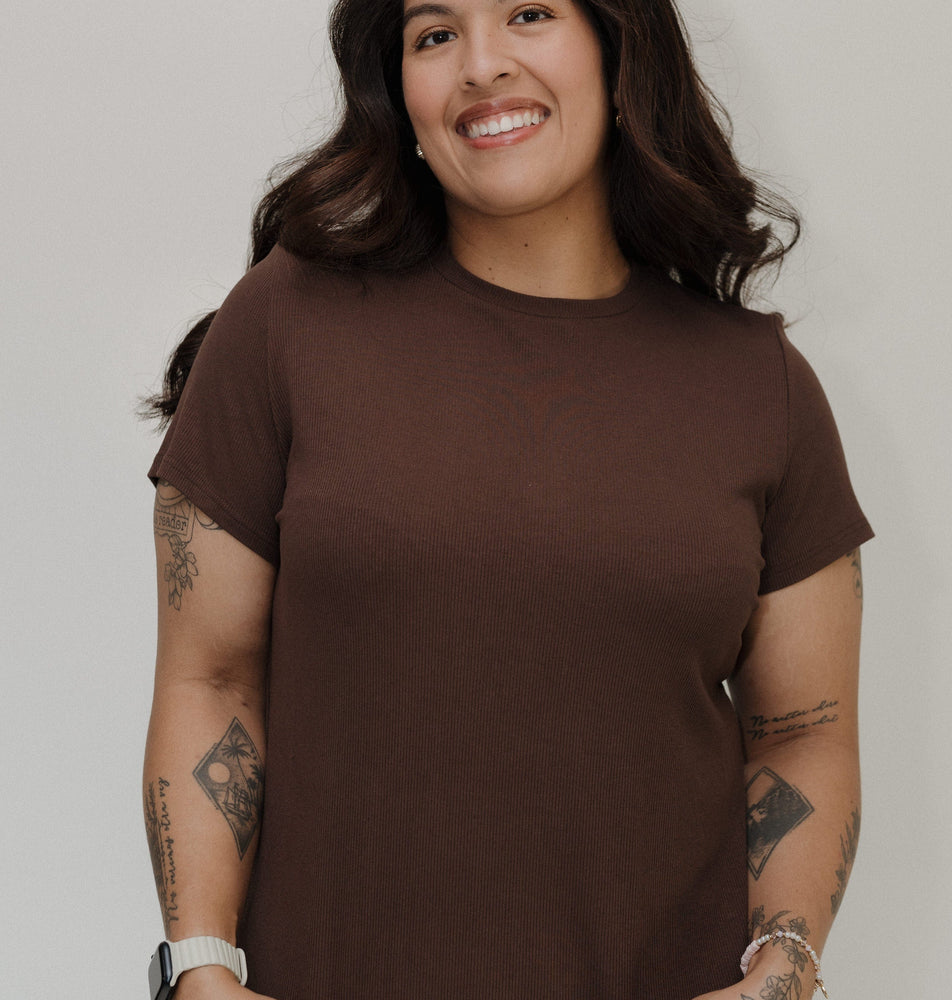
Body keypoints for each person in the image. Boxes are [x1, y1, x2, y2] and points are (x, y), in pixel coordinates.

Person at [143, 1, 872, 998]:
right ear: (396, 93)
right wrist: (199, 969)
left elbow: (804, 732)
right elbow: (209, 681)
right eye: (433, 34)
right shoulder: (281, 326)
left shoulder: (762, 387)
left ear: (621, 56)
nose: (481, 64)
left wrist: (783, 971)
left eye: (529, 13)